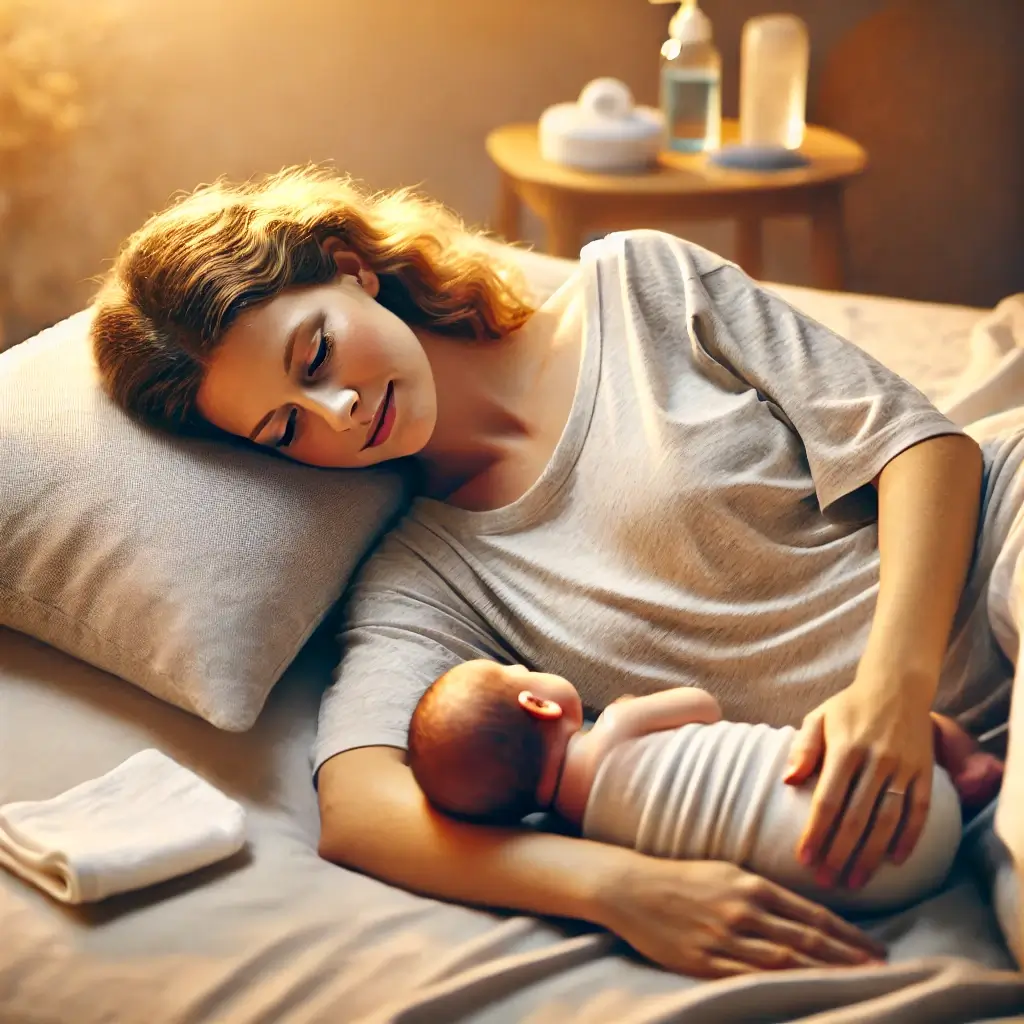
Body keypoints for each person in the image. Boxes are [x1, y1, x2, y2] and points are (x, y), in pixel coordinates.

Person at [88, 164, 1024, 979]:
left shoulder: (640, 282)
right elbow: (361, 810)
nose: (336, 412)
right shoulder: (431, 578)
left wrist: (889, 695)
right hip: (962, 794)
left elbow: (920, 446)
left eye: (317, 353)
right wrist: (621, 889)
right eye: (284, 426)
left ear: (350, 269)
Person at [408, 660, 1001, 913]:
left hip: (883, 881)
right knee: (878, 721)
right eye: (515, 671)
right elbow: (704, 706)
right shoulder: (614, 729)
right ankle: (967, 761)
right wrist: (631, 706)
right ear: (537, 701)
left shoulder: (588, 838)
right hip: (907, 795)